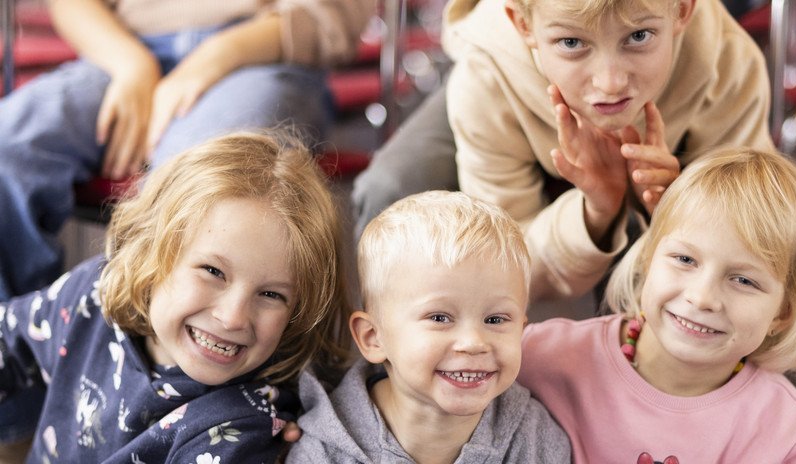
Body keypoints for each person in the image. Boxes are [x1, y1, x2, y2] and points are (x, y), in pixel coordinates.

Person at [352, 0, 775, 303]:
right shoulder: (485, 76)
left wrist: (675, 207)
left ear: (683, 10)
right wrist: (594, 213)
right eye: (572, 43)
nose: (609, 83)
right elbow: (501, 268)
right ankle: (388, 387)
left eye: (638, 36)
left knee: (641, 264)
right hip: (505, 85)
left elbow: (756, 244)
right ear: (524, 25)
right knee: (393, 188)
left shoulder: (731, 64)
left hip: (671, 148)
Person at [0, 132, 353, 463]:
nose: (233, 317)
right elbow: (10, 337)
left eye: (272, 294)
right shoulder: (94, 295)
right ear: (150, 253)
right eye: (213, 272)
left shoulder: (240, 425)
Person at [0, 0, 375, 302]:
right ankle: (23, 360)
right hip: (122, 49)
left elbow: (335, 14)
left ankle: (153, 377)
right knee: (9, 147)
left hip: (261, 55)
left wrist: (216, 54)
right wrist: (132, 64)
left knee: (200, 183)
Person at [516, 147, 796, 463]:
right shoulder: (537, 356)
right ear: (648, 260)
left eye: (743, 280)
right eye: (685, 259)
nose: (702, 297)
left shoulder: (786, 434)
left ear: (783, 313)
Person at [287, 191, 572, 463]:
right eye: (439, 318)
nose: (473, 342)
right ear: (373, 338)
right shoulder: (323, 451)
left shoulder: (536, 439)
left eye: (495, 320)